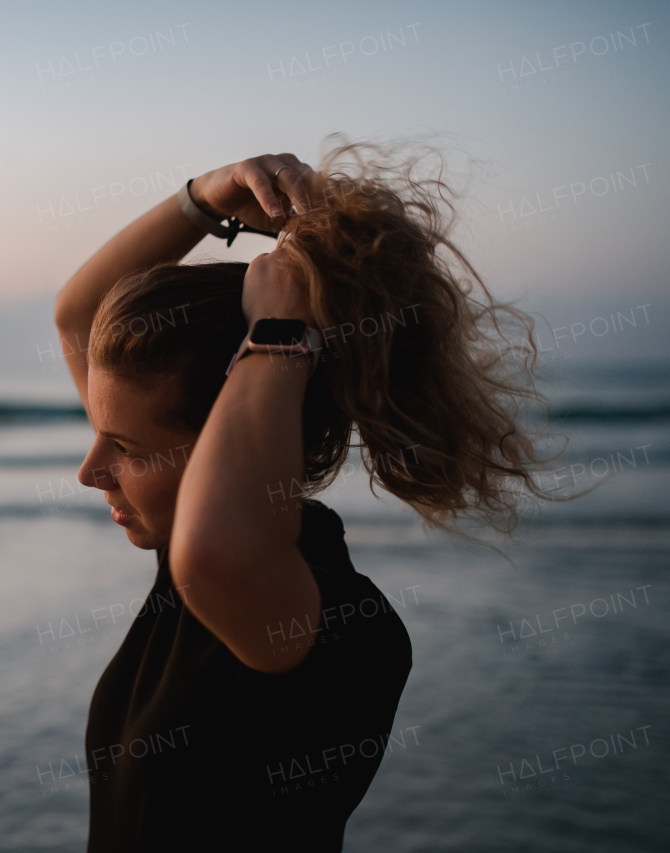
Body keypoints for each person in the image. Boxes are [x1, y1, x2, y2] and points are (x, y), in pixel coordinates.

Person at [52, 140, 553, 851]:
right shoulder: (189, 556)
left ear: (230, 431)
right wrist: (208, 198)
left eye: (127, 449)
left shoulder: (340, 623)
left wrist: (280, 335)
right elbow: (79, 316)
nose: (89, 469)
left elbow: (219, 550)